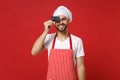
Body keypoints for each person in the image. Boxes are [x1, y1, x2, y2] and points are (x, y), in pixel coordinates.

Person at [31, 6, 86, 80]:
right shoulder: (49, 38)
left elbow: (80, 66)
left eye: (63, 19)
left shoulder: (77, 41)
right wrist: (45, 31)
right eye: (58, 20)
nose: (61, 22)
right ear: (54, 22)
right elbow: (34, 52)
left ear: (68, 20)